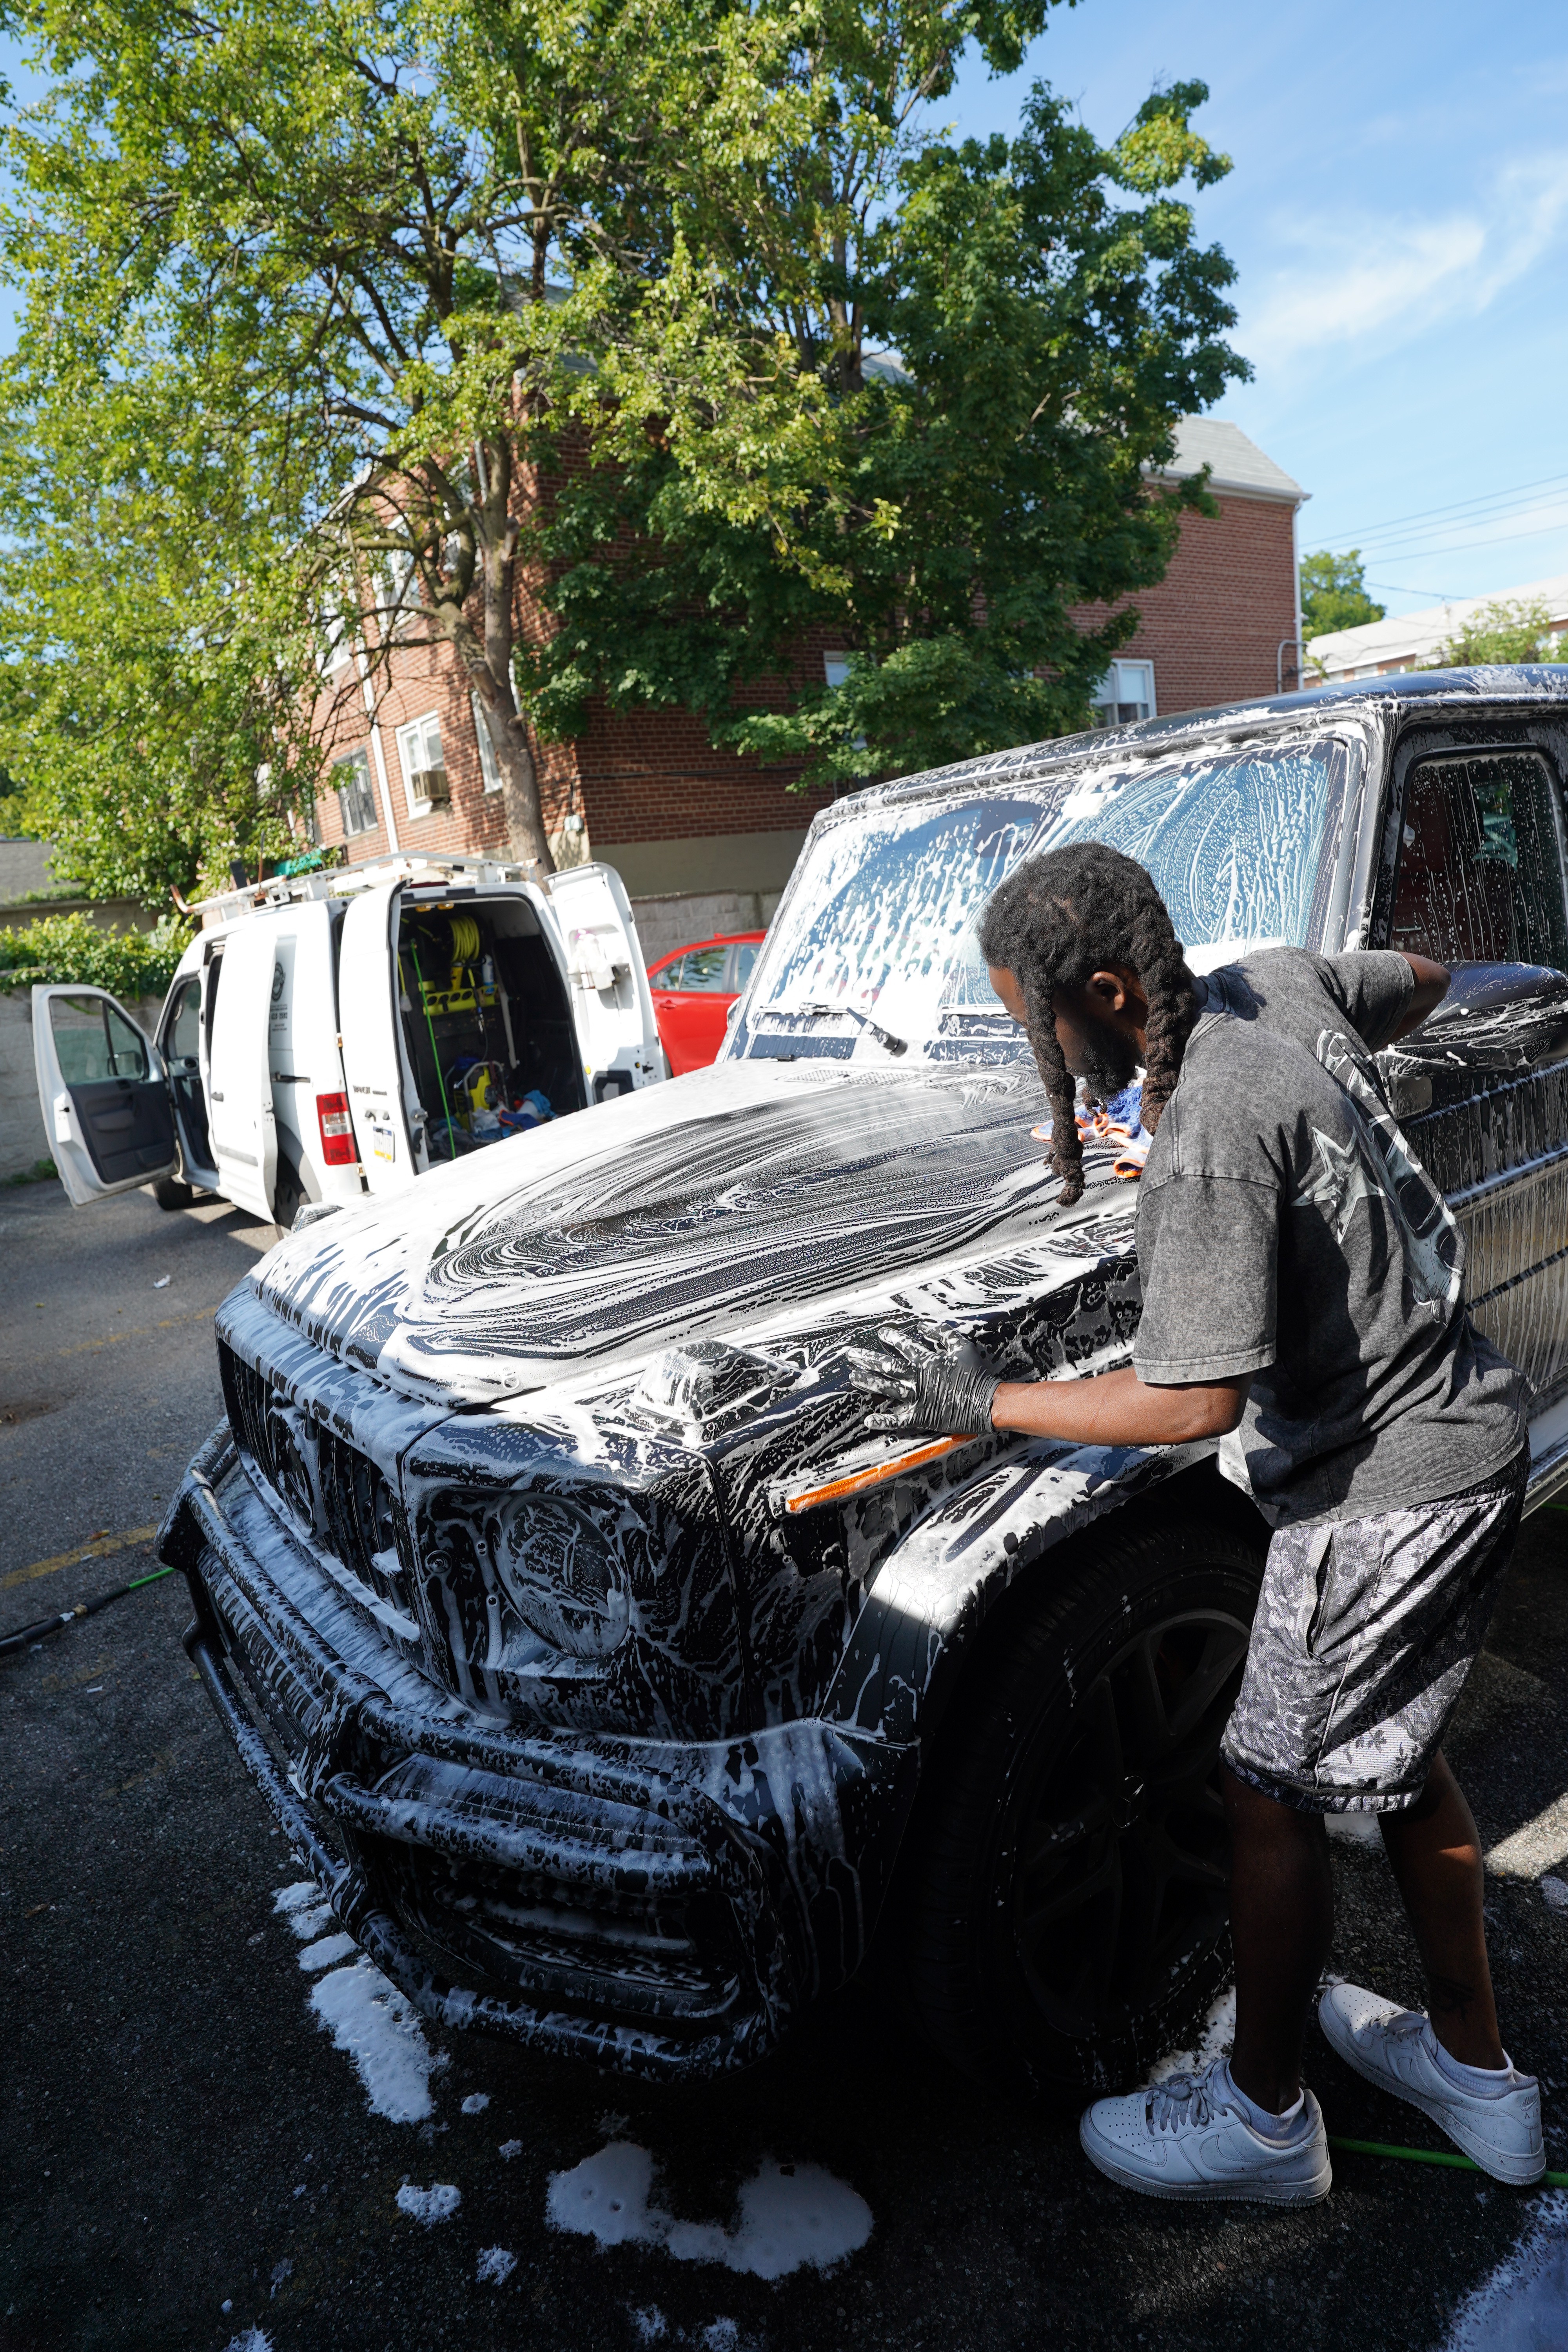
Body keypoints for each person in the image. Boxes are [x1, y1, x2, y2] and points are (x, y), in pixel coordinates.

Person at [849, 839, 1543, 2205]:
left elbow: (1189, 1405)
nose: (1036, 1051)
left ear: (1109, 987)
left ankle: (1265, 2121)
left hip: (1383, 1495)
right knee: (1397, 1760)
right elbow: (1423, 976)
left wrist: (981, 1397)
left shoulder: (1212, 1130)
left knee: (1265, 1788)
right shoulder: (1273, 985)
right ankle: (1477, 2074)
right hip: (1473, 1432)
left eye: (1038, 1023)